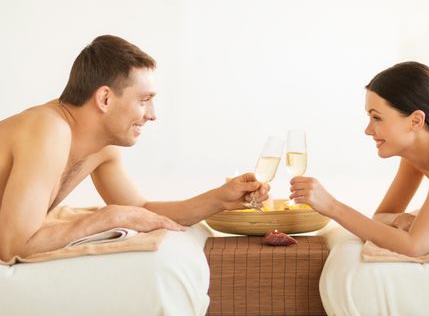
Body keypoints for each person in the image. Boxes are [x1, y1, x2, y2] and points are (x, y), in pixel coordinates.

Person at [0, 35, 268, 261]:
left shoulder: (101, 148)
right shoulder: (49, 128)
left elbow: (141, 209)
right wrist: (107, 217)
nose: (152, 115)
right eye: (144, 100)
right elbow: (14, 246)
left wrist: (220, 199)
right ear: (105, 98)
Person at [290, 61, 429, 257]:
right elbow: (380, 217)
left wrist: (332, 206)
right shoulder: (415, 155)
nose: (368, 130)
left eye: (377, 117)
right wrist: (402, 219)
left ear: (416, 121)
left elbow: (416, 246)